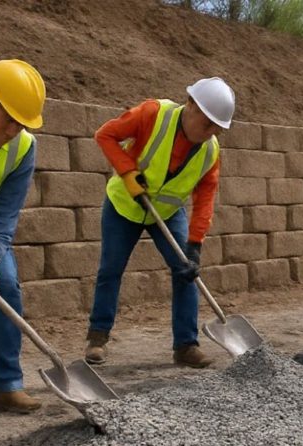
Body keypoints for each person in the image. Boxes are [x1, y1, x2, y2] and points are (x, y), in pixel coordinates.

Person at [84, 77, 235, 367]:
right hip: (124, 205)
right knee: (111, 270)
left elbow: (205, 199)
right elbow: (105, 135)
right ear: (190, 104)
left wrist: (195, 245)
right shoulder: (154, 114)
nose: (210, 133)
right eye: (207, 124)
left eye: (217, 128)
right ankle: (97, 339)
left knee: (186, 271)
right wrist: (128, 172)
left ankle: (186, 345)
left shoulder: (210, 152)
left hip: (166, 213)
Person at [0, 60, 46, 413]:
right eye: (10, 118)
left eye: (23, 123)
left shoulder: (23, 148)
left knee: (6, 284)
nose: (14, 130)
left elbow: (5, 214)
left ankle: (7, 386)